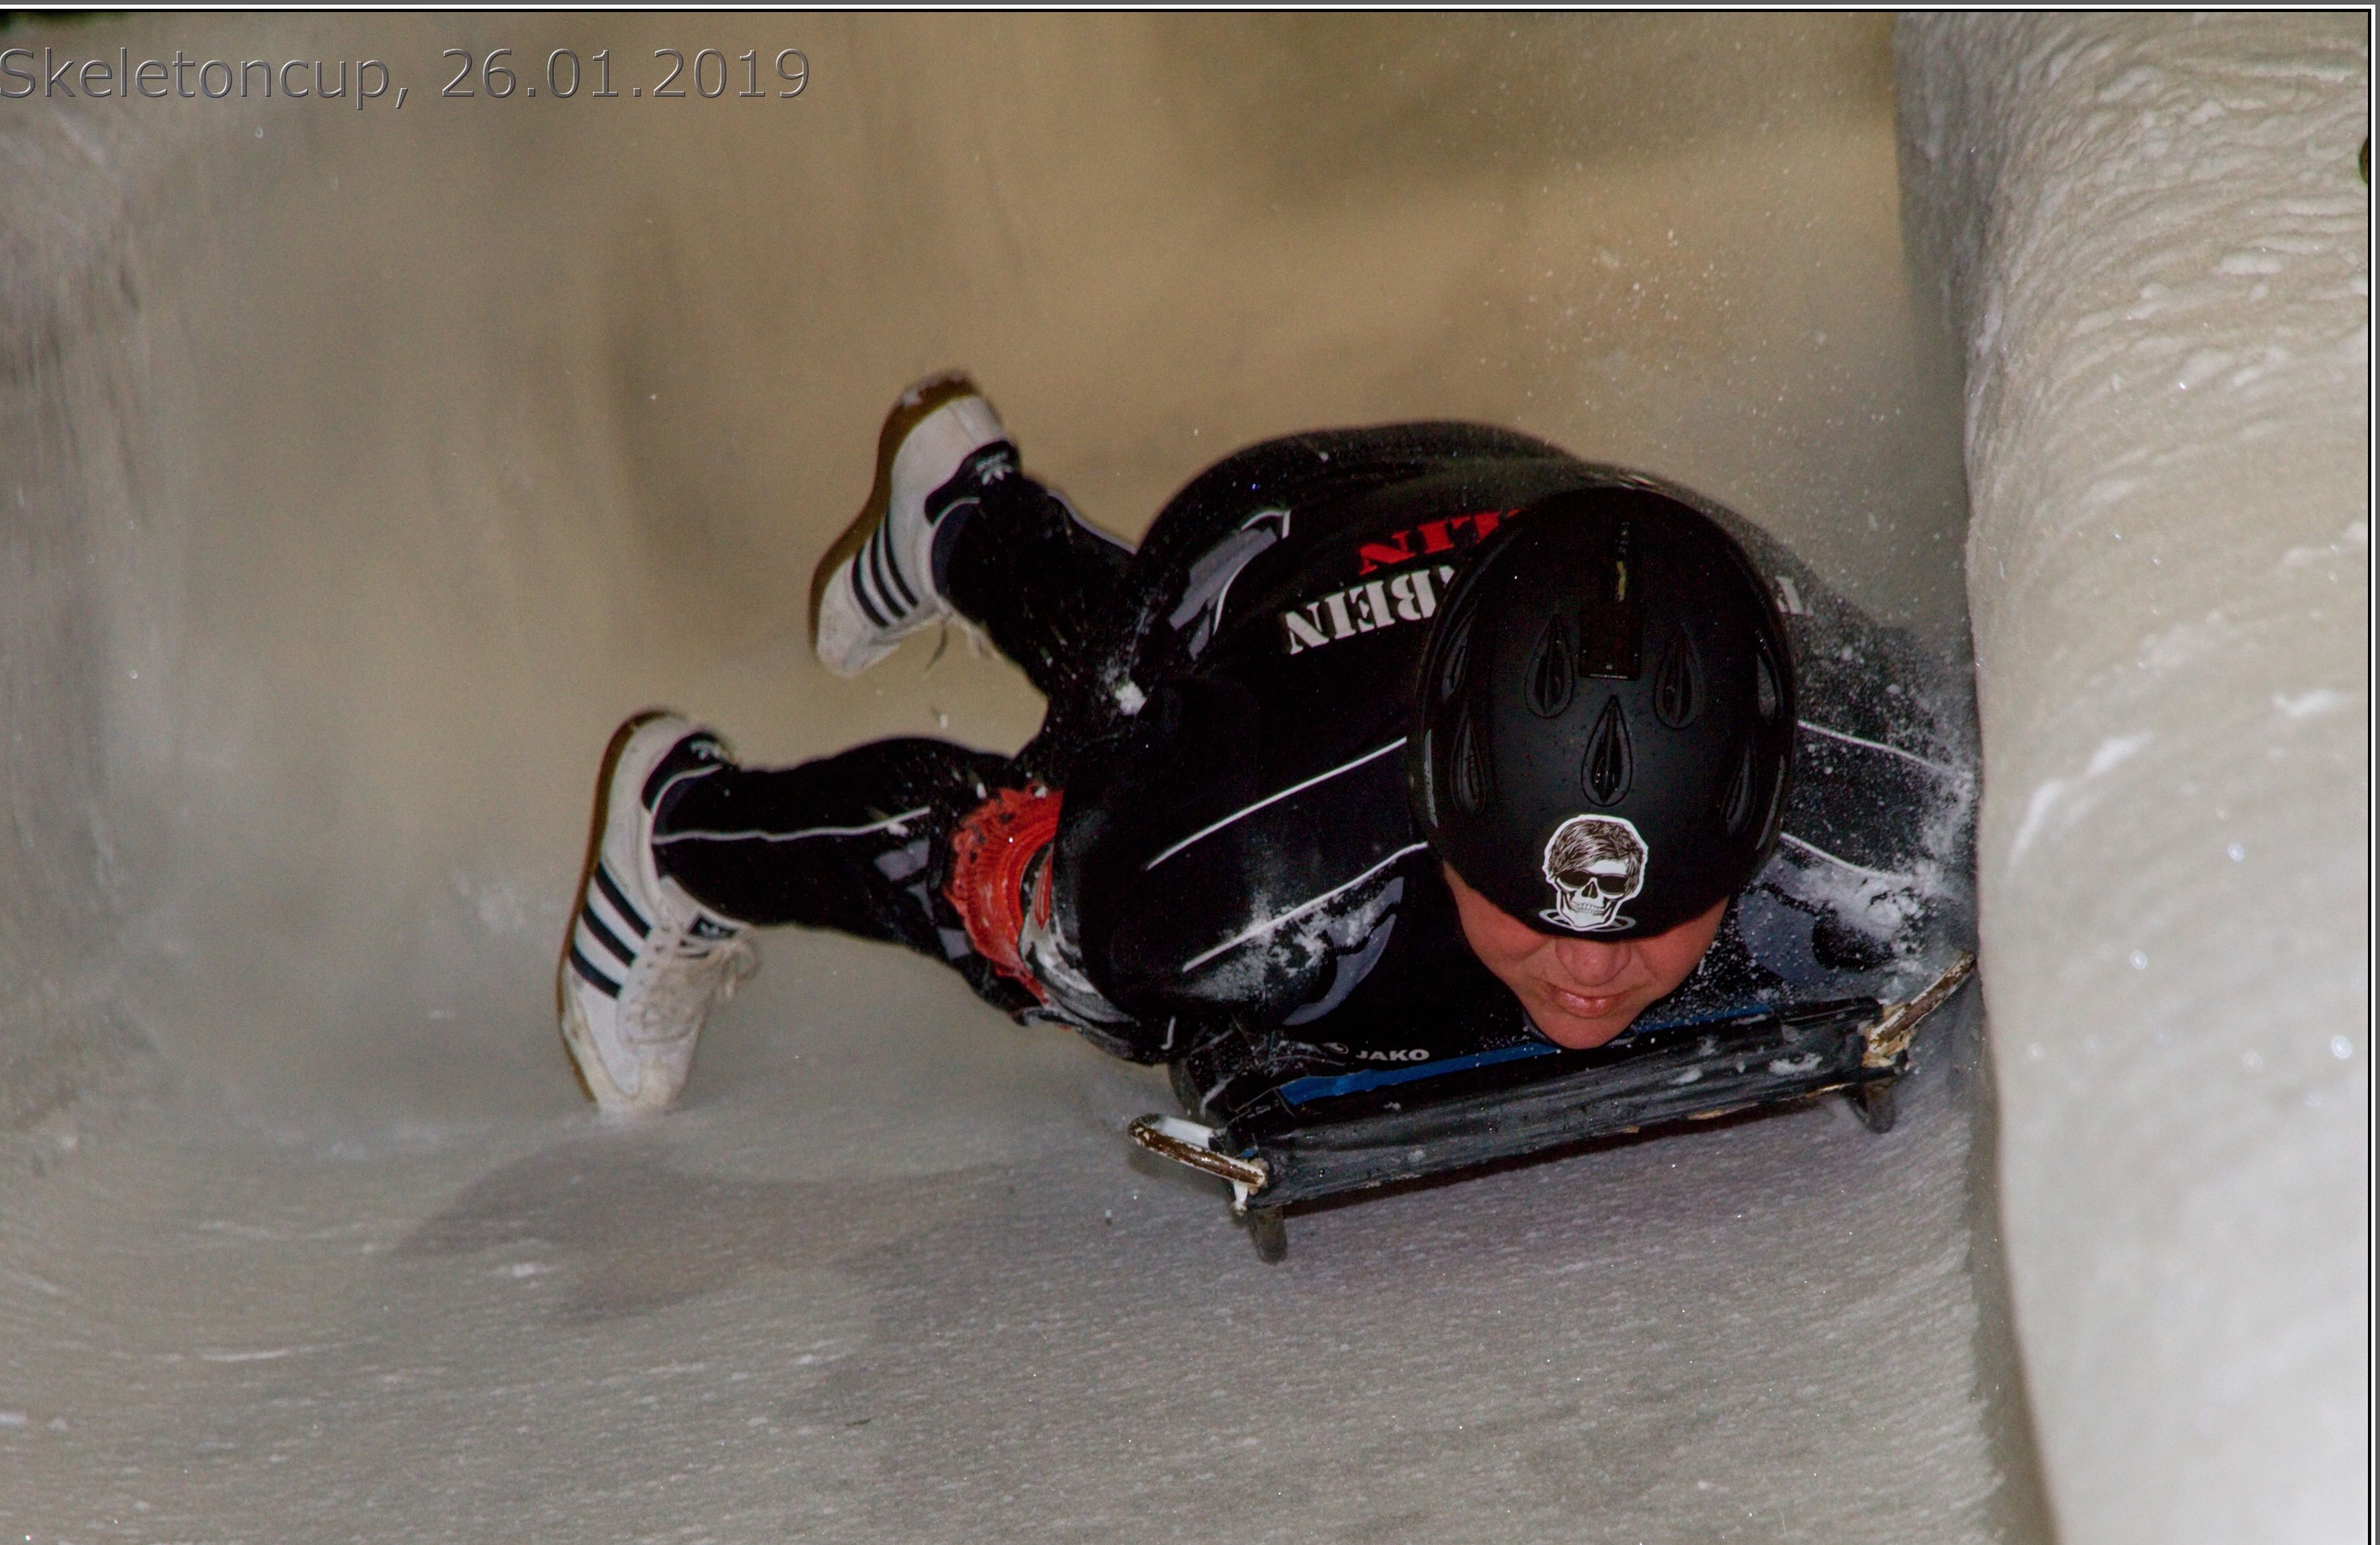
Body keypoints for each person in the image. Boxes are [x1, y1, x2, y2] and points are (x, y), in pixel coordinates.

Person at [558, 375, 1970, 1115]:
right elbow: (1133, 852)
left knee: (1186, 760)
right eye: (1528, 909)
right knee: (1059, 908)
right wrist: (1037, 884)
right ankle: (679, 826)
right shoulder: (1238, 879)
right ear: (1438, 817)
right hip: (1267, 550)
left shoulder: (1866, 779)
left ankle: (966, 518)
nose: (1589, 970)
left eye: (1652, 915)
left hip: (1547, 512)